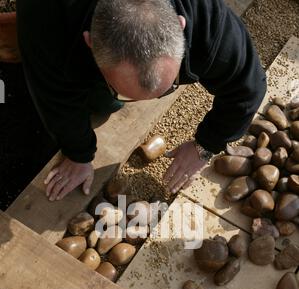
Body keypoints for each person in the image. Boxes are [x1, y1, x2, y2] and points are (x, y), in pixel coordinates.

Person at [16, 0, 266, 201]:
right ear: (90, 42)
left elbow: (247, 88)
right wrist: (78, 154)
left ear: (181, 25)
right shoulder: (43, 16)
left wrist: (206, 145)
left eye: (170, 84)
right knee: (104, 105)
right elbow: (52, 95)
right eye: (125, 91)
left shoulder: (207, 20)